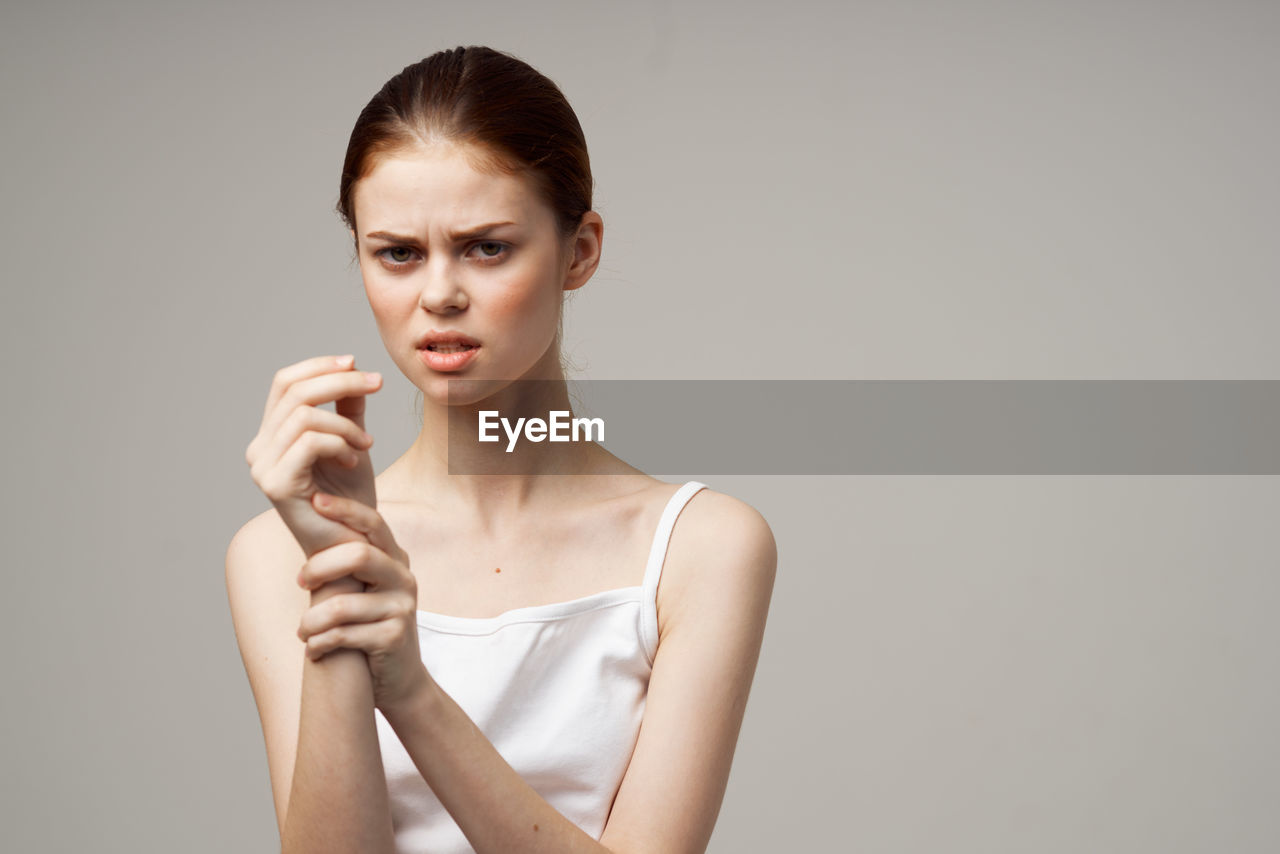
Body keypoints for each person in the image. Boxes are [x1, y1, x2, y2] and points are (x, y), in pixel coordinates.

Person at [225, 45, 777, 854]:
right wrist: (342, 568)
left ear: (579, 251)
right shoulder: (278, 554)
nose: (439, 294)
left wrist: (410, 691)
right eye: (398, 254)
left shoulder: (702, 546)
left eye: (486, 247)